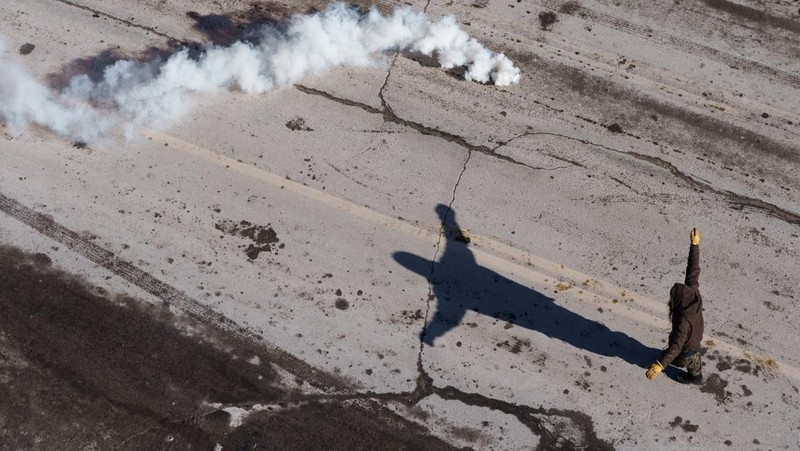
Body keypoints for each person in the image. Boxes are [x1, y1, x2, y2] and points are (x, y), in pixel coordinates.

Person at [646, 228, 704, 384]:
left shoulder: (682, 321)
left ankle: (693, 376)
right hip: (696, 337)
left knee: (680, 358)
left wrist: (659, 365)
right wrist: (694, 245)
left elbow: (676, 346)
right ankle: (696, 374)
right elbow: (693, 270)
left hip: (686, 348)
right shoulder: (693, 294)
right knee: (693, 358)